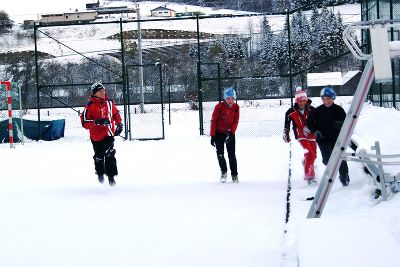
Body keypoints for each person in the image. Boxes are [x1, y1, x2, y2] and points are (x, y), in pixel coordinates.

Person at [81, 82, 123, 186]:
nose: (103, 92)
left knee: (110, 153)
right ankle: (100, 172)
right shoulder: (89, 106)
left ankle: (111, 175)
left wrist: (119, 124)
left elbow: (115, 114)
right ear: (94, 93)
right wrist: (96, 122)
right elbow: (84, 122)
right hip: (96, 136)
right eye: (100, 91)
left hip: (108, 133)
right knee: (99, 156)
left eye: (103, 90)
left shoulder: (109, 103)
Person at [306, 86, 350, 186]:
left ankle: (344, 177)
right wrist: (315, 131)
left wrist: (340, 125)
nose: (326, 101)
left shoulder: (339, 110)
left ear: (333, 98)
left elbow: (346, 123)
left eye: (328, 98)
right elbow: (309, 122)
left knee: (340, 158)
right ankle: (330, 167)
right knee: (327, 160)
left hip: (337, 138)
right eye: (324, 99)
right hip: (322, 138)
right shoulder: (317, 111)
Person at [283, 88, 317, 185]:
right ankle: (309, 175)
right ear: (296, 101)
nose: (302, 103)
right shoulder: (290, 111)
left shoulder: (312, 110)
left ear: (306, 101)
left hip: (311, 133)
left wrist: (311, 127)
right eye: (300, 101)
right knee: (309, 152)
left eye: (304, 101)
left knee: (314, 154)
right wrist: (286, 133)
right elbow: (287, 125)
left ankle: (306, 162)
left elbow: (317, 122)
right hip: (300, 134)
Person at [210, 86, 240, 183]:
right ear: (225, 98)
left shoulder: (236, 107)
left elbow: (236, 121)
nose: (230, 100)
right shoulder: (219, 107)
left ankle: (234, 175)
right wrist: (213, 135)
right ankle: (223, 172)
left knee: (231, 155)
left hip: (229, 133)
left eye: (232, 98)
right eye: (228, 98)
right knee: (220, 154)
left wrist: (231, 132)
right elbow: (214, 121)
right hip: (219, 133)